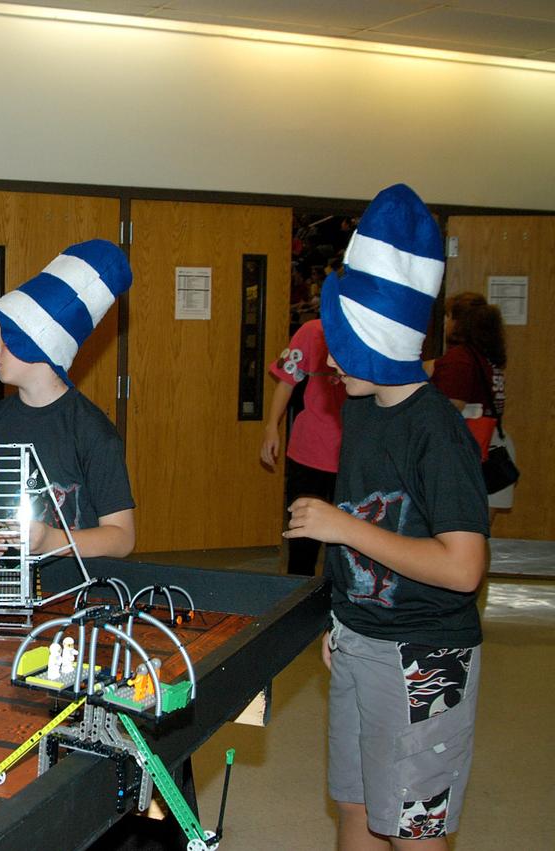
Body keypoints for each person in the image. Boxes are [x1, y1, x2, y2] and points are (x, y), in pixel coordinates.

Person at [285, 184, 488, 849]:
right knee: (358, 805)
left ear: (378, 339)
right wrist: (345, 621)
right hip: (363, 640)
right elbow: (370, 540)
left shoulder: (436, 431)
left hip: (424, 652)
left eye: (343, 345)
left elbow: (462, 567)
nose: (332, 363)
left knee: (412, 826)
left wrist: (343, 528)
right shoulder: (363, 410)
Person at [0, 239, 136, 560]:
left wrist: (52, 541)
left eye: (6, 338)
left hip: (71, 593)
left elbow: (122, 537)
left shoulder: (92, 431)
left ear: (40, 346)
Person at [260, 318, 347, 575]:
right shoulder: (313, 331)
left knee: (350, 538)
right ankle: (298, 596)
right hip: (310, 452)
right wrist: (271, 426)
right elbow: (287, 380)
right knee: (303, 542)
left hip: (353, 451)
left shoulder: (368, 328)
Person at [430, 292, 513, 513]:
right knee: (481, 531)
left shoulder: (459, 359)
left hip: (472, 451)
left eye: (448, 317)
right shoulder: (485, 357)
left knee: (467, 530)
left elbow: (451, 407)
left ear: (459, 322)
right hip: (494, 444)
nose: (445, 323)